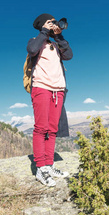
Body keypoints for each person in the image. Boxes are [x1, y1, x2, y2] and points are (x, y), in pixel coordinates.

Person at [27, 13, 73, 187]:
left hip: (58, 90)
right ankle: (41, 168)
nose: (54, 24)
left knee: (53, 129)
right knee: (41, 128)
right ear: (42, 25)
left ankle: (49, 165)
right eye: (50, 22)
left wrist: (59, 35)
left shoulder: (56, 44)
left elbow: (68, 55)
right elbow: (32, 50)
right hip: (41, 88)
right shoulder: (35, 40)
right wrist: (45, 32)